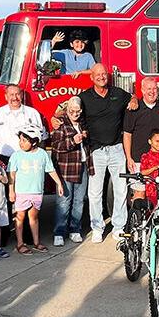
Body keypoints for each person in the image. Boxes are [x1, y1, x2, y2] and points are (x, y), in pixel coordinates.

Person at [77, 63, 132, 242]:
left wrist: (135, 99)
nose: (101, 77)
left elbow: (132, 97)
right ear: (91, 77)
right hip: (96, 151)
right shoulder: (84, 97)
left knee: (121, 190)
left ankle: (119, 226)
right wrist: (56, 117)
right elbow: (70, 111)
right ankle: (97, 227)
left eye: (104, 74)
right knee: (94, 192)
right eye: (97, 74)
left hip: (117, 149)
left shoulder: (118, 93)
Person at [8, 125, 64, 255]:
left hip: (37, 191)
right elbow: (12, 175)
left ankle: (36, 242)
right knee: (20, 217)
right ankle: (20, 243)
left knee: (34, 217)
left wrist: (59, 183)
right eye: (20, 140)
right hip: (21, 191)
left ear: (34, 142)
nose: (21, 143)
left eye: (24, 140)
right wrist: (11, 191)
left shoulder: (42, 154)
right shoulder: (16, 156)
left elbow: (50, 169)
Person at [123, 76, 159, 203]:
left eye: (154, 89)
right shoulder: (133, 109)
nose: (152, 92)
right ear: (142, 90)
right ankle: (138, 222)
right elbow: (127, 134)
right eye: (148, 88)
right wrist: (129, 157)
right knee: (139, 193)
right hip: (138, 158)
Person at [50, 96, 89, 247]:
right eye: (72, 111)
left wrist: (86, 137)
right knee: (64, 201)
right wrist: (73, 141)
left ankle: (75, 230)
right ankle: (59, 232)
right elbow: (56, 146)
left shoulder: (83, 124)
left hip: (83, 165)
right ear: (67, 110)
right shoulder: (61, 125)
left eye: (78, 111)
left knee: (79, 201)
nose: (75, 114)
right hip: (66, 168)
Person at [0, 84, 46, 159]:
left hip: (28, 159)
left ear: (22, 95)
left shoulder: (33, 113)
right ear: (6, 97)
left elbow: (41, 138)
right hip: (3, 159)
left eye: (17, 94)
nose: (15, 98)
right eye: (11, 95)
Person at [138, 130, 159, 211]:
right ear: (150, 141)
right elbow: (142, 172)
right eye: (157, 141)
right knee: (152, 212)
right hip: (152, 190)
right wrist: (156, 167)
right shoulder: (146, 156)